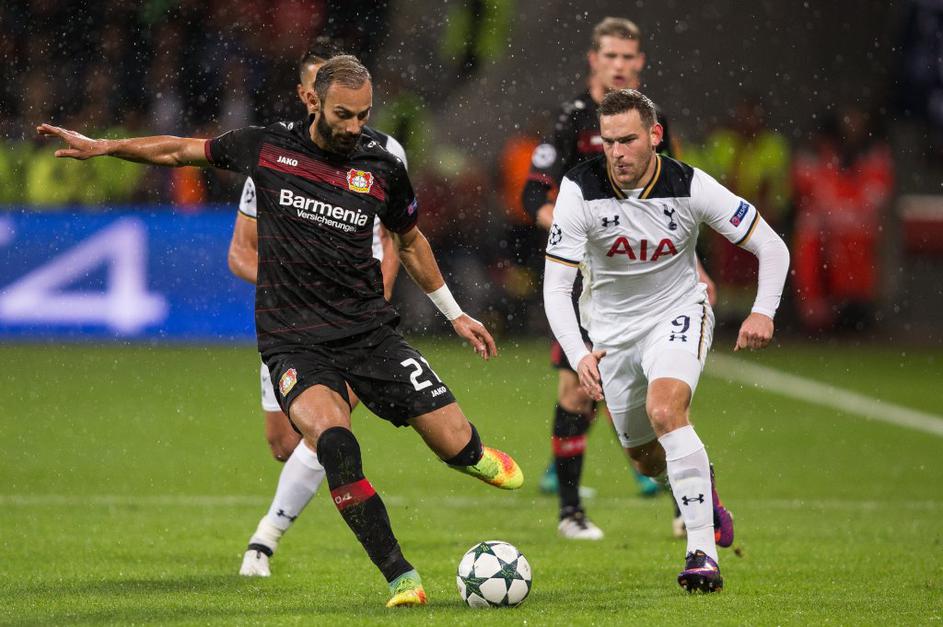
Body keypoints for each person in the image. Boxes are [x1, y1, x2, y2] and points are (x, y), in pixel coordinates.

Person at [37, 54, 524, 608]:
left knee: (455, 444)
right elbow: (179, 150)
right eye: (343, 114)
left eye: (363, 115)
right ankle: (400, 576)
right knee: (334, 443)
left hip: (369, 333)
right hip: (295, 341)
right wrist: (106, 146)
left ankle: (471, 454)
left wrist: (455, 313)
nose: (354, 126)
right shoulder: (268, 148)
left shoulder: (382, 167)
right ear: (314, 101)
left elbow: (410, 242)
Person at [543, 89, 789, 592]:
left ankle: (701, 555)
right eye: (608, 141)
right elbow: (555, 287)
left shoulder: (689, 184)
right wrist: (579, 353)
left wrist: (763, 311)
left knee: (665, 411)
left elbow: (771, 245)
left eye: (628, 140)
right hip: (610, 336)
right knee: (646, 458)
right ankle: (703, 488)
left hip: (676, 314)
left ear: (655, 135)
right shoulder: (579, 188)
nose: (617, 153)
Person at [522, 16, 716, 540]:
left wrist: (696, 268)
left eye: (628, 57)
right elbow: (532, 193)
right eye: (611, 56)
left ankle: (687, 504)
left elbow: (675, 204)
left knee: (665, 394)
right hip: (589, 278)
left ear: (641, 62)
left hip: (651, 278)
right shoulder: (572, 119)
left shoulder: (652, 120)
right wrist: (568, 229)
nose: (620, 65)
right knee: (576, 392)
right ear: (594, 60)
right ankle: (570, 512)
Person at [228, 45, 407, 578]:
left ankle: (264, 539)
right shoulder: (272, 158)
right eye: (312, 89)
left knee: (329, 431)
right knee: (284, 444)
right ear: (308, 97)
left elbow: (397, 237)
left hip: (354, 322)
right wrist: (298, 281)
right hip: (292, 322)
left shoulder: (383, 153)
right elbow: (240, 253)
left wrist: (372, 305)